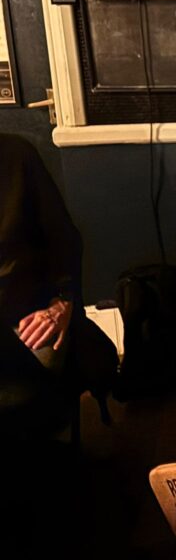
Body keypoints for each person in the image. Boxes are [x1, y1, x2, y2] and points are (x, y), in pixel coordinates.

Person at [1, 133, 81, 437]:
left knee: (30, 402)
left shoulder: (17, 155)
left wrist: (62, 302)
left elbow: (63, 240)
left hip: (24, 315)